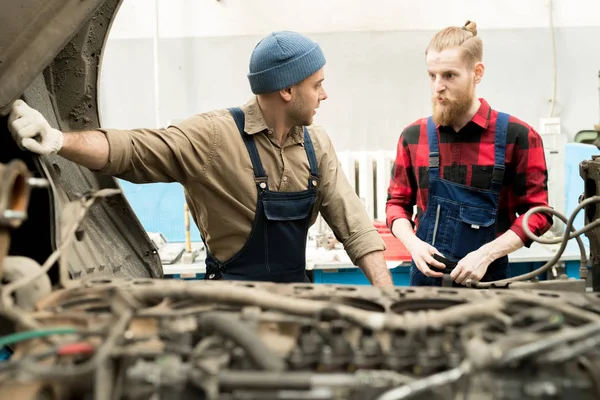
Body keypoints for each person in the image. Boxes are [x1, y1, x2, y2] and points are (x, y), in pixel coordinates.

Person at [8, 31, 394, 286]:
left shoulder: (317, 144)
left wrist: (388, 299)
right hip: (230, 308)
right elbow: (134, 149)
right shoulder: (215, 137)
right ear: (288, 90)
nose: (325, 94)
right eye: (318, 85)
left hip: (298, 303)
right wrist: (57, 138)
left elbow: (355, 226)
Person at [385, 21, 553, 287]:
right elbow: (396, 205)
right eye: (432, 75)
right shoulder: (413, 137)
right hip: (426, 287)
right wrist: (413, 244)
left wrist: (487, 254)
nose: (437, 86)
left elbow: (539, 215)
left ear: (477, 73)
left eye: (449, 75)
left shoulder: (518, 136)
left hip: (488, 286)